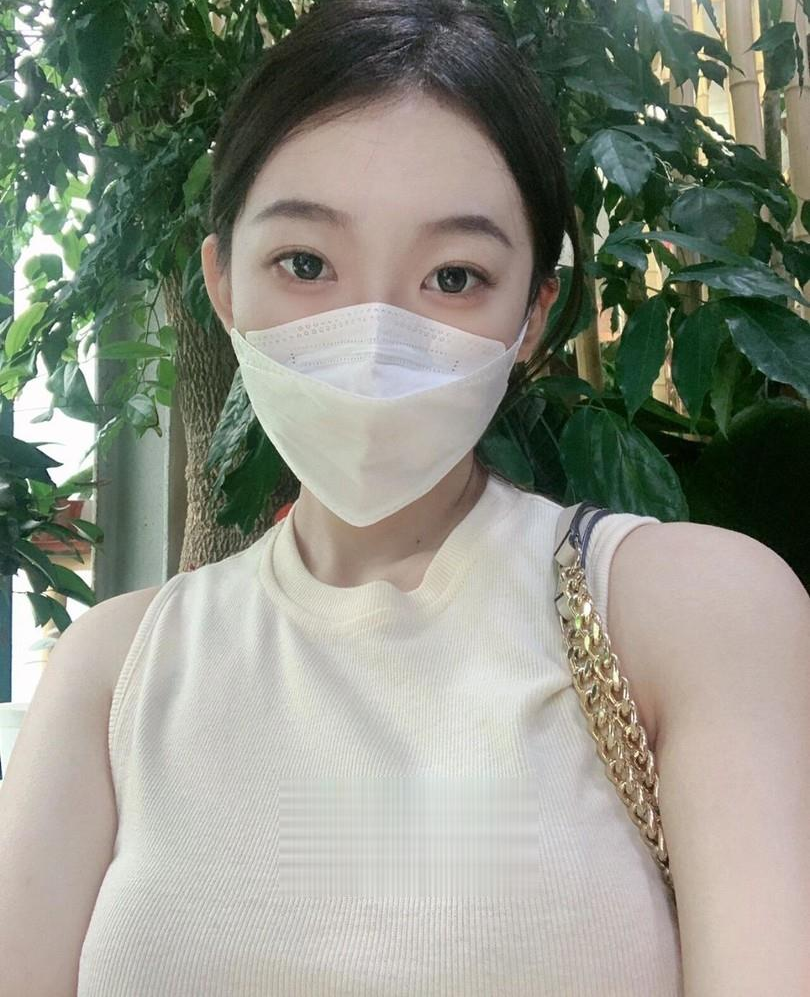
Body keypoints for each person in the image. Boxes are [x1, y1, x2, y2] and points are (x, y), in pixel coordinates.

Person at [3, 2, 807, 996]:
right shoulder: (114, 672)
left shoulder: (688, 613)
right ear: (222, 283)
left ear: (532, 315)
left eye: (453, 276)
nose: (374, 338)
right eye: (305, 264)